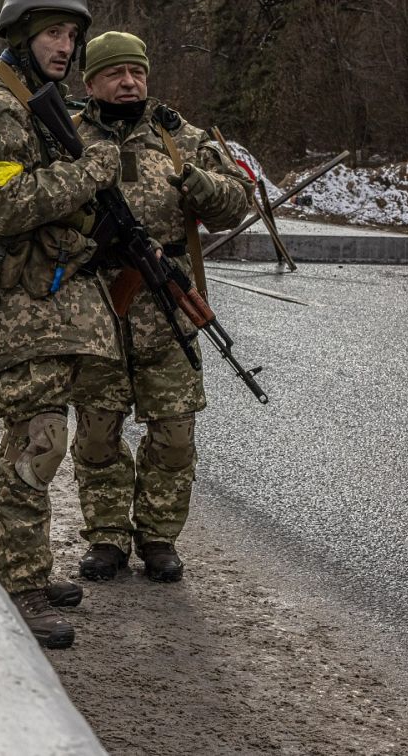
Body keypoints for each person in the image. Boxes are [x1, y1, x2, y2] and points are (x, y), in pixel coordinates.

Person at [0, 0, 127, 649]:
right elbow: (5, 206)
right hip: (15, 305)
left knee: (40, 439)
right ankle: (19, 581)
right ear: (23, 35)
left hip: (42, 301)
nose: (66, 45)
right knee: (38, 441)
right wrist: (93, 170)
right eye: (54, 32)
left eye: (73, 35)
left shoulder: (36, 108)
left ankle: (22, 563)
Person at [68, 31, 252, 584]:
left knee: (173, 436)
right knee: (98, 433)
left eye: (137, 72)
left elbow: (235, 204)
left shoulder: (181, 138)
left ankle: (157, 538)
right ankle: (106, 538)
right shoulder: (70, 139)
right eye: (116, 73)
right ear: (91, 82)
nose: (129, 82)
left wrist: (200, 185)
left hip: (166, 309)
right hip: (97, 306)